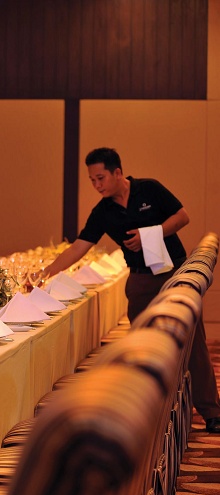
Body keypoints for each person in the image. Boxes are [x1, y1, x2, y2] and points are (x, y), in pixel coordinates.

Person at [45, 147, 220, 433]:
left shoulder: (149, 189)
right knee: (142, 348)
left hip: (175, 273)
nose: (97, 185)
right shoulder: (103, 211)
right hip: (140, 280)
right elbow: (78, 247)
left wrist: (151, 234)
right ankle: (152, 418)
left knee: (193, 344)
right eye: (92, 180)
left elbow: (182, 217)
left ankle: (212, 412)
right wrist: (43, 274)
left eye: (100, 178)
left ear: (117, 173)